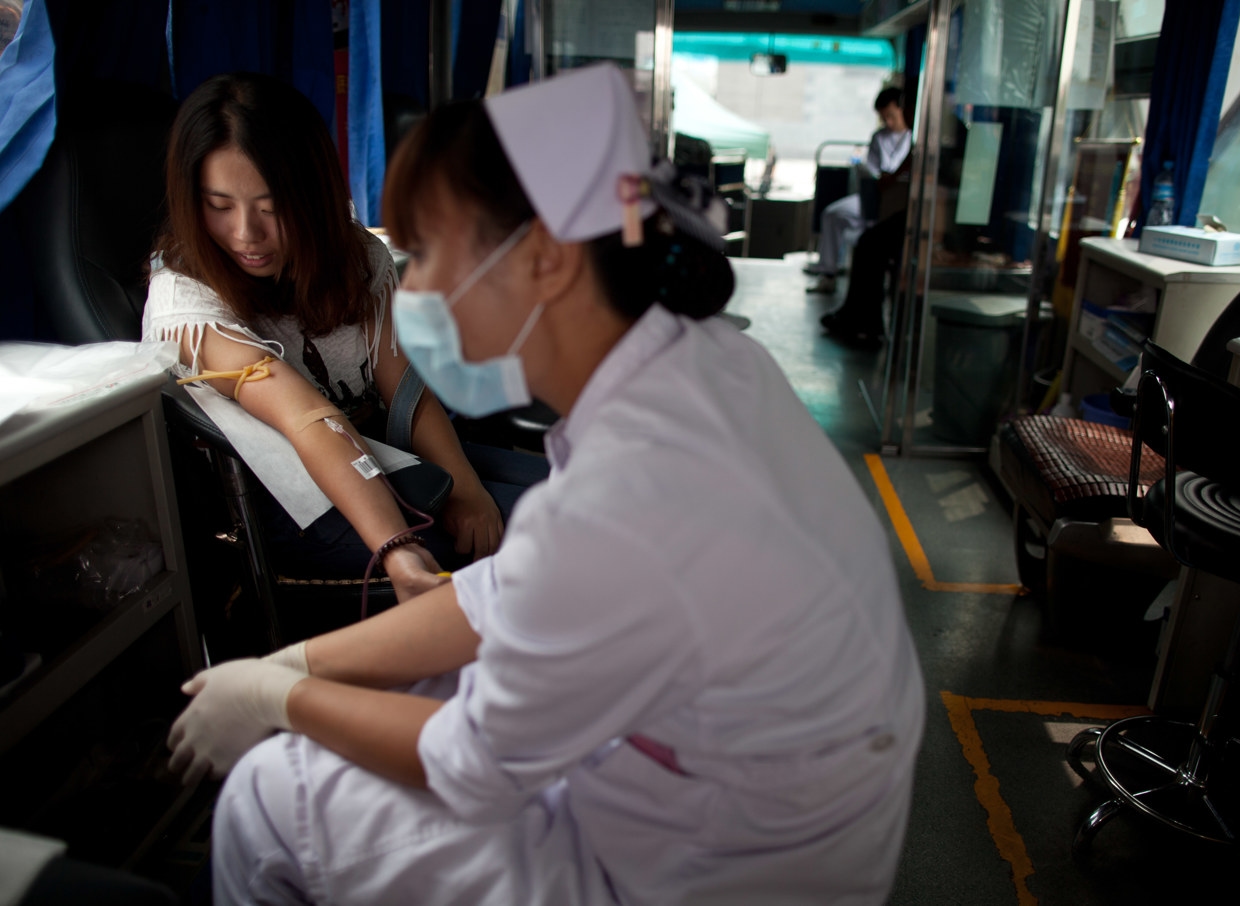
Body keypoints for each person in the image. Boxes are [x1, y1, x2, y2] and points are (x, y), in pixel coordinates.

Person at [167, 63, 925, 905]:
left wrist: (282, 699)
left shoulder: (625, 499)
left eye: (432, 255)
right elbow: (511, 595)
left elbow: (470, 761)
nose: (411, 291)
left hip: (703, 869)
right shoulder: (707, 364)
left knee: (272, 796)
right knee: (406, 685)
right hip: (784, 805)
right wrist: (298, 662)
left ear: (547, 262)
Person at [142, 72, 547, 601]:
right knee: (551, 530)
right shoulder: (187, 304)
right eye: (219, 206)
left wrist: (467, 490)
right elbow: (307, 418)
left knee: (577, 491)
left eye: (271, 208)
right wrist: (395, 546)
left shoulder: (356, 257)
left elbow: (405, 393)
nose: (246, 234)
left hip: (383, 451)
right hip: (296, 500)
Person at [806, 85, 912, 295]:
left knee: (871, 237)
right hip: (874, 195)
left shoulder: (913, 138)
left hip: (898, 200)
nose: (888, 122)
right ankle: (828, 273)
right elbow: (872, 171)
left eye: (891, 116)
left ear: (902, 109)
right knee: (832, 215)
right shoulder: (879, 138)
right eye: (884, 118)